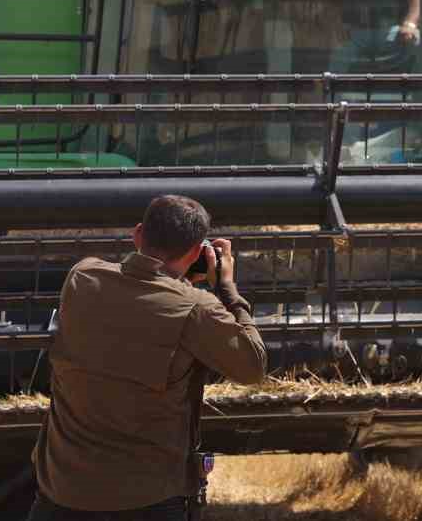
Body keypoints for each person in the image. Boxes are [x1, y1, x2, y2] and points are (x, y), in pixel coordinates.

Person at [30, 195, 267, 521]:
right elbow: (252, 366)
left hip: (63, 492)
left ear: (138, 234)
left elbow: (141, 303)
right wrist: (228, 290)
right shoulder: (196, 308)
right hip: (147, 499)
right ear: (198, 253)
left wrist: (178, 283)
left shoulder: (82, 277)